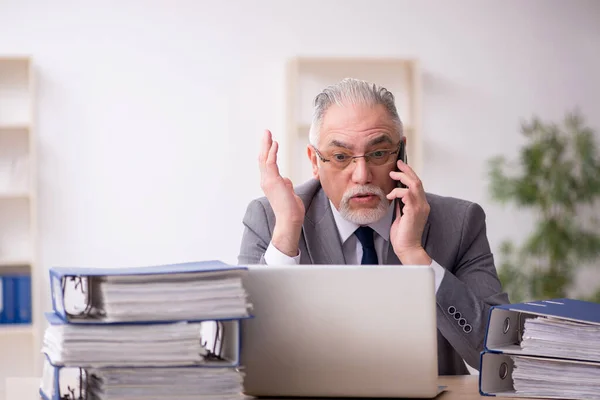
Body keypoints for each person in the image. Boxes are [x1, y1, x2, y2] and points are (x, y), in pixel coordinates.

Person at [237, 78, 510, 375]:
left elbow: (496, 353)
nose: (362, 175)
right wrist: (286, 234)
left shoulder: (459, 222)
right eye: (341, 157)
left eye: (378, 153)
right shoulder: (270, 217)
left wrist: (416, 256)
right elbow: (244, 357)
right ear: (315, 161)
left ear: (401, 153)